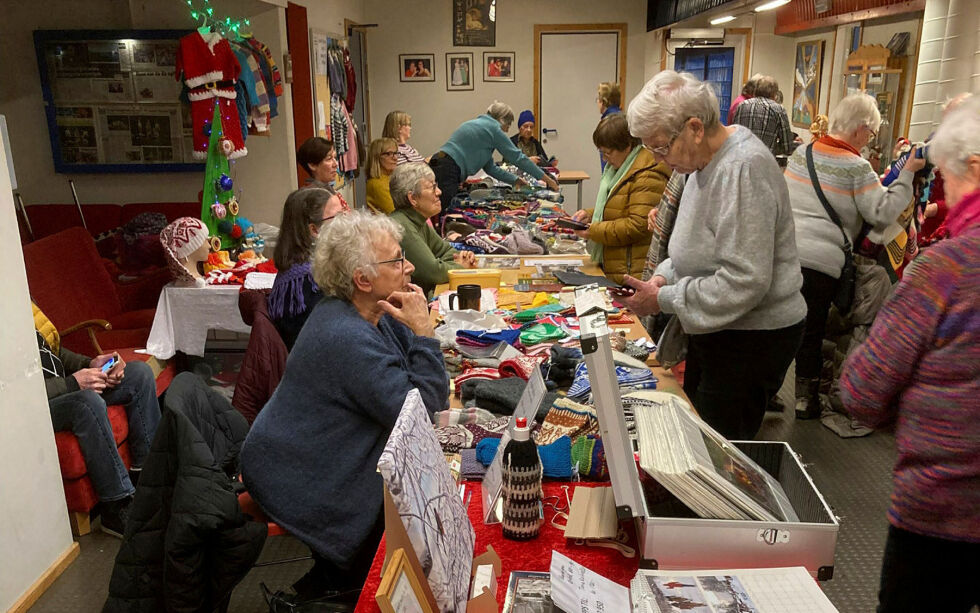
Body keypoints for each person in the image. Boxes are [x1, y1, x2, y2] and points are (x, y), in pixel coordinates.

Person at [241, 211, 449, 604]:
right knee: (409, 519)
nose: (408, 267)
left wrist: (417, 336)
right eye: (396, 261)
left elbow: (409, 383)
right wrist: (425, 333)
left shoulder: (369, 312)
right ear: (363, 279)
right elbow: (420, 413)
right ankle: (332, 590)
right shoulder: (346, 336)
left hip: (314, 455)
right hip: (300, 476)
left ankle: (336, 582)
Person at [838, 94, 980, 613]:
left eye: (948, 178)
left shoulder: (947, 270)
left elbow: (861, 389)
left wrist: (913, 406)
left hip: (944, 509)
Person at [619, 70, 807, 440]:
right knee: (700, 431)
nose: (658, 160)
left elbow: (744, 279)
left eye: (661, 147)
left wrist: (664, 298)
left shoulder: (741, 168)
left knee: (721, 451)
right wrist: (664, 275)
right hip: (721, 328)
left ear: (694, 128)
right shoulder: (702, 162)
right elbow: (698, 247)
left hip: (751, 337)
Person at [784, 92, 924, 419]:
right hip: (822, 262)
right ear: (861, 129)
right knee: (813, 329)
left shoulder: (801, 153)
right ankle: (805, 400)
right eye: (871, 134)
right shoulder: (857, 168)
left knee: (780, 325)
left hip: (785, 253)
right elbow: (882, 212)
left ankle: (766, 393)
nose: (869, 141)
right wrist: (906, 176)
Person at [34, 302, 161, 537]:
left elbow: (54, 352)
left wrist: (90, 364)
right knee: (86, 402)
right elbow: (14, 391)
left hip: (64, 386)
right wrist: (73, 383)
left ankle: (147, 479)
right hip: (34, 405)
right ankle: (116, 505)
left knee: (138, 375)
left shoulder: (20, 299)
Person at [570, 113, 670, 283]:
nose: (604, 159)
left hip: (633, 272)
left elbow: (638, 224)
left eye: (608, 153)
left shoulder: (648, 174)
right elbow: (620, 207)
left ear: (627, 147)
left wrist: (593, 230)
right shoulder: (621, 169)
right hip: (618, 266)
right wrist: (590, 214)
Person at [428, 101, 559, 211]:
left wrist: (515, 180)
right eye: (508, 126)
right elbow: (518, 158)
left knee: (443, 210)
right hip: (448, 168)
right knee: (445, 211)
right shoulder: (493, 128)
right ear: (502, 120)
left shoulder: (480, 125)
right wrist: (548, 180)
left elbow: (490, 168)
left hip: (441, 164)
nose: (507, 130)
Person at [269, 187, 349, 350]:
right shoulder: (307, 280)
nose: (347, 221)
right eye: (338, 217)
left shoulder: (307, 267)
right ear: (314, 230)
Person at [389, 162, 477, 296]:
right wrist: (461, 267)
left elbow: (445, 251)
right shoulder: (401, 226)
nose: (439, 192)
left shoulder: (417, 220)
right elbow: (434, 272)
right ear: (412, 198)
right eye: (432, 187)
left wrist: (462, 258)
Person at [732, 75, 798, 157]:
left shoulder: (742, 105)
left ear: (756, 90)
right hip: (764, 162)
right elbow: (787, 147)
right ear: (774, 93)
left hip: (740, 158)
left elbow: (734, 134)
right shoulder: (778, 109)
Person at [365, 137, 399, 214]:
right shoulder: (376, 184)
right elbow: (394, 213)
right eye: (389, 154)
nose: (395, 158)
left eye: (395, 153)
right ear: (377, 157)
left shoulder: (389, 179)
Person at [597, 81, 623, 170]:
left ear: (603, 101)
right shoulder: (622, 117)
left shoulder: (609, 123)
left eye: (598, 98)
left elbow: (608, 161)